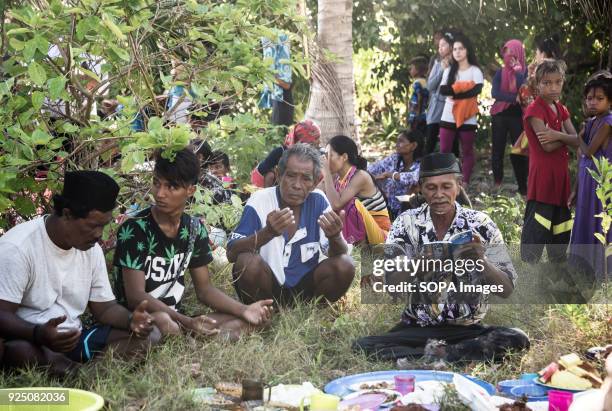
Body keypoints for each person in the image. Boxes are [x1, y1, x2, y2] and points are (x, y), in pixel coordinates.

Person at [352, 153, 529, 363]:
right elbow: (393, 288)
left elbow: (507, 289)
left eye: (446, 186)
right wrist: (417, 265)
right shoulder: (406, 223)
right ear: (420, 188)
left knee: (517, 338)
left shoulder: (481, 224)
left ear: (459, 185)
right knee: (363, 346)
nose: (439, 194)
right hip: (418, 327)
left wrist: (482, 262)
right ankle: (449, 354)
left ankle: (440, 354)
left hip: (467, 329)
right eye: (431, 188)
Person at [0, 171, 159, 376]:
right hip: (33, 340)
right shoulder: (18, 247)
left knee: (151, 335)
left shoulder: (90, 249)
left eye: (104, 225)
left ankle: (85, 374)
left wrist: (131, 320)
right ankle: (77, 374)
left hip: (75, 338)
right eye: (94, 225)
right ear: (67, 214)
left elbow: (105, 309)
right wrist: (39, 334)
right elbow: (2, 315)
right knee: (19, 352)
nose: (99, 234)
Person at [112, 148, 273, 340]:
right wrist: (187, 322)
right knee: (164, 321)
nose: (160, 194)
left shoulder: (194, 229)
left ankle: (197, 337)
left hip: (178, 319)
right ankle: (198, 338)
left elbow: (205, 290)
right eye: (157, 183)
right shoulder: (135, 229)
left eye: (171, 187)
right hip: (142, 320)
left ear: (190, 190)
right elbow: (135, 296)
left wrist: (244, 310)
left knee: (246, 320)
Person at [227, 144, 355, 306]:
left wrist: (335, 236)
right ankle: (262, 313)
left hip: (306, 289)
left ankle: (311, 313)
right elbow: (231, 254)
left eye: (306, 178)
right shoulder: (260, 200)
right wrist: (267, 233)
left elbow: (339, 253)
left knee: (345, 264)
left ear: (315, 182)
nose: (297, 185)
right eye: (291, 176)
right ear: (279, 176)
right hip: (267, 287)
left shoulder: (319, 201)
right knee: (247, 262)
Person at [520, 60, 578, 263]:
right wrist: (564, 137)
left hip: (560, 177)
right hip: (543, 178)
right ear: (537, 85)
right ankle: (529, 270)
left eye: (557, 82)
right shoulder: (535, 110)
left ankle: (557, 268)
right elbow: (547, 146)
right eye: (547, 83)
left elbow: (578, 141)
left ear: (562, 82)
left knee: (561, 226)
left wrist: (556, 134)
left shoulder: (561, 109)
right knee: (538, 224)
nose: (553, 87)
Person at [569, 71, 612, 276]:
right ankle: (583, 267)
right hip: (587, 180)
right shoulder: (592, 121)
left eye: (599, 98)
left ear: (610, 101)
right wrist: (575, 189)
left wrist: (578, 137)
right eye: (589, 98)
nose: (593, 102)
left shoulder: (607, 122)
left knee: (598, 220)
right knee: (585, 218)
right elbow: (581, 159)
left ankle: (600, 269)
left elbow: (589, 151)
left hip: (600, 181)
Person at [321, 135, 391, 245]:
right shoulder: (338, 179)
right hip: (367, 233)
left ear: (344, 157)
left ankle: (357, 249)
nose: (326, 159)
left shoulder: (361, 176)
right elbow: (321, 196)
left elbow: (336, 204)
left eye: (329, 155)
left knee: (351, 203)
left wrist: (327, 174)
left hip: (381, 235)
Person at [439, 33, 484, 184]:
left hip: (468, 117)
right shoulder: (449, 71)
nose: (457, 52)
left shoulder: (475, 71)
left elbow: (476, 91)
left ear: (467, 51)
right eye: (455, 49)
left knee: (467, 151)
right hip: (448, 115)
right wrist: (464, 89)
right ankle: (446, 179)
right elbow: (443, 91)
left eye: (461, 48)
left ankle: (464, 182)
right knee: (445, 150)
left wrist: (455, 91)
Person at [490, 39, 529, 195]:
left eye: (512, 53)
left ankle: (523, 187)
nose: (508, 56)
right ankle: (497, 183)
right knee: (497, 151)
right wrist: (513, 98)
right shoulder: (500, 72)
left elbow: (523, 89)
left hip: (517, 117)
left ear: (519, 53)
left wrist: (517, 70)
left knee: (519, 151)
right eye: (505, 52)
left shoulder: (525, 72)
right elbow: (495, 93)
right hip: (499, 115)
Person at [367, 130, 423, 219]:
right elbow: (375, 167)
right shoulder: (395, 159)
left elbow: (414, 178)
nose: (396, 144)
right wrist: (366, 176)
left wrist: (390, 175)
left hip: (412, 211)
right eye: (397, 141)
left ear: (413, 145)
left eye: (401, 141)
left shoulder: (421, 164)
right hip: (390, 209)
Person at [251, 120, 321, 188]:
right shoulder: (280, 152)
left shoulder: (316, 155)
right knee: (270, 175)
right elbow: (260, 171)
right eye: (316, 138)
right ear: (304, 141)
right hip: (273, 189)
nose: (319, 142)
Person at [425, 32, 459, 156]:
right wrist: (441, 70)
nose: (440, 48)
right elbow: (430, 86)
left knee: (453, 144)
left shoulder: (460, 64)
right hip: (436, 109)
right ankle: (422, 173)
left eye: (443, 45)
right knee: (430, 141)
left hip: (452, 109)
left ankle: (455, 172)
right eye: (439, 46)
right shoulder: (437, 64)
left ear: (451, 46)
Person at [259, 33, 294, 128]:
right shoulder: (280, 69)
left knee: (280, 130)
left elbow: (286, 85)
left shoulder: (285, 70)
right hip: (279, 104)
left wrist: (271, 78)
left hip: (284, 107)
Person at [407, 56, 430, 133]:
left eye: (412, 68)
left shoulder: (417, 82)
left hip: (417, 115)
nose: (410, 70)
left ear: (417, 70)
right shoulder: (426, 81)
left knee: (414, 135)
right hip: (425, 115)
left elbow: (419, 96)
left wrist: (417, 113)